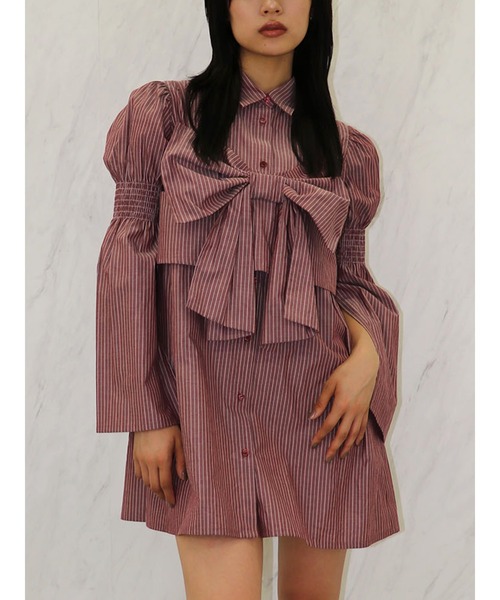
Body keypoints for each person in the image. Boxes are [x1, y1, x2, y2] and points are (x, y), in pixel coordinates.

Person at [95, 1, 401, 598]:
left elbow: (351, 280)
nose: (271, 4)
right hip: (203, 416)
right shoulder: (163, 119)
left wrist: (368, 358)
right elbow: (125, 263)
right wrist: (145, 413)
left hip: (320, 415)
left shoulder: (346, 152)